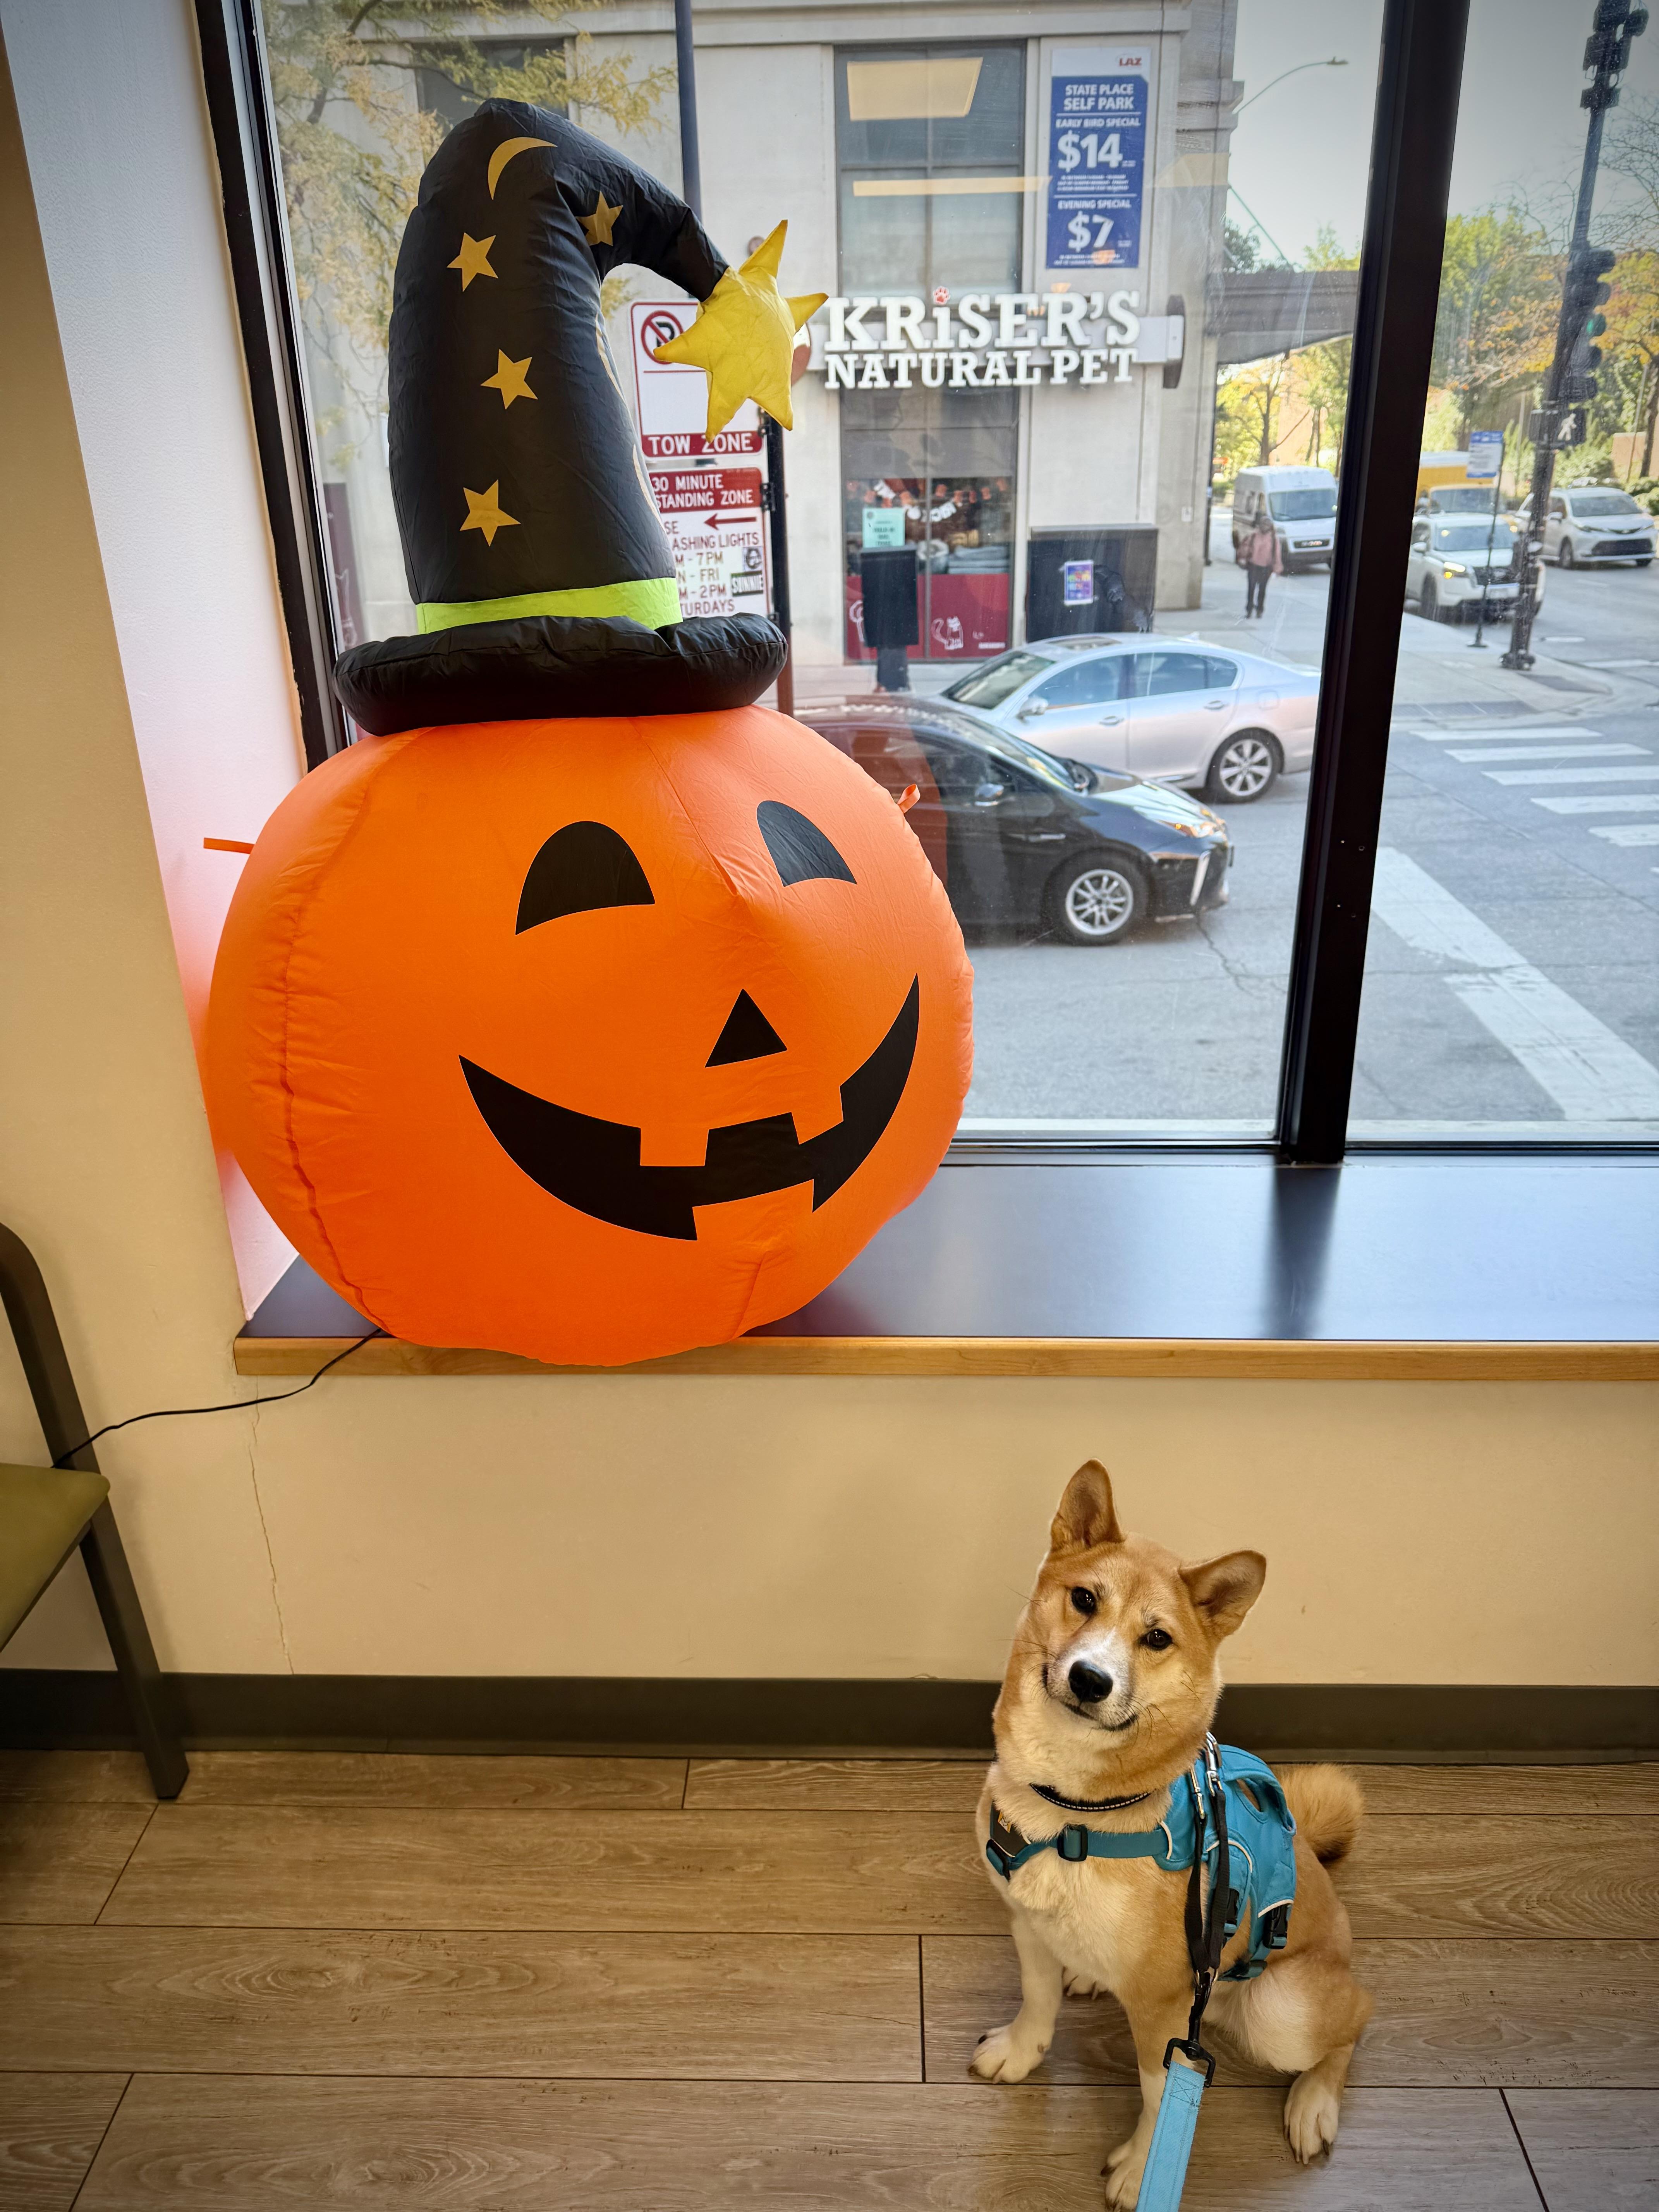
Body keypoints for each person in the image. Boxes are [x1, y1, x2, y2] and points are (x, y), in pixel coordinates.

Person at [1238, 500, 1283, 618]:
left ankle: (1260, 610)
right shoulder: (1254, 535)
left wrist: (1277, 569)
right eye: (1263, 524)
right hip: (1253, 565)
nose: (1265, 527)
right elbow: (1245, 547)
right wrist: (1243, 557)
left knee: (1262, 590)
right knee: (1251, 588)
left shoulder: (1274, 539)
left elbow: (1277, 554)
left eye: (1268, 525)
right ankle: (1249, 610)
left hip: (1266, 568)